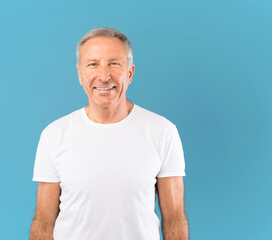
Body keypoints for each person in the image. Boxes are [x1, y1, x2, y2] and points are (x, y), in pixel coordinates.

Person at [29, 27, 189, 240]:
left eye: (114, 64)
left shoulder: (163, 132)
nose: (104, 76)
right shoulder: (54, 135)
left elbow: (174, 219)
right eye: (93, 64)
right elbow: (44, 221)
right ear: (80, 74)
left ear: (129, 72)